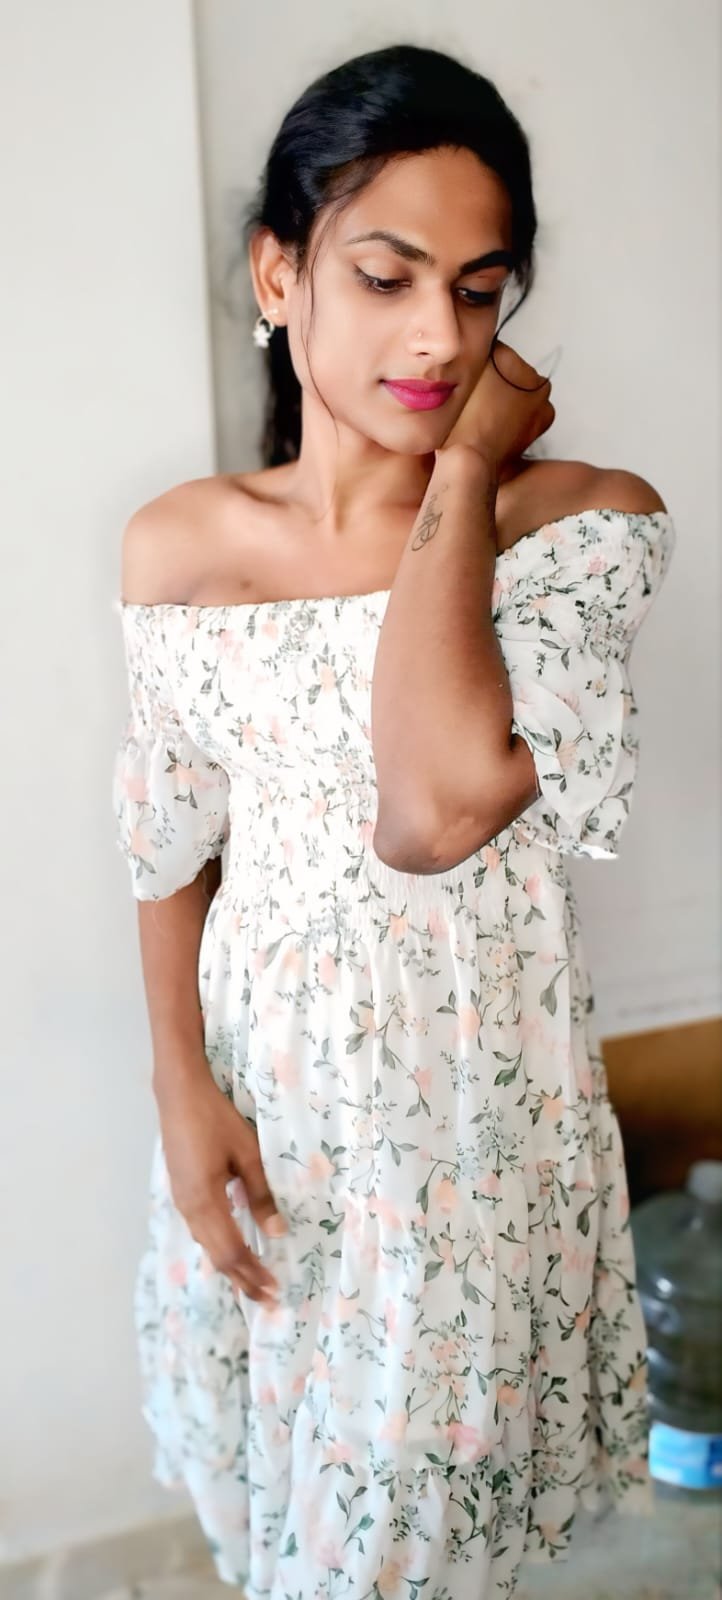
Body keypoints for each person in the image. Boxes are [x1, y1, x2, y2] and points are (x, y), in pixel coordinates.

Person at [112, 41, 675, 1600]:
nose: (437, 335)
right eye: (385, 276)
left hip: (469, 1132)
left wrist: (467, 469)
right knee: (282, 1510)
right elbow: (167, 842)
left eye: (478, 291)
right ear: (278, 275)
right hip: (269, 1104)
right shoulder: (182, 547)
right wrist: (179, 1091)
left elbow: (432, 808)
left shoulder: (578, 528)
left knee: (412, 1554)